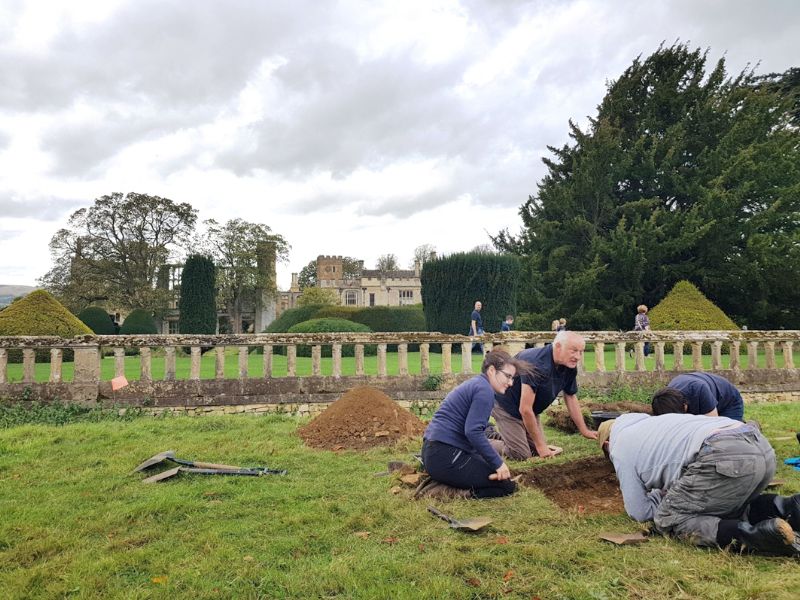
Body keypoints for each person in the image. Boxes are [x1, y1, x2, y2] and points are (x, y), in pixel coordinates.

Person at [597, 414, 800, 555]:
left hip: (724, 456)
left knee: (669, 518)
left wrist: (665, 497)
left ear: (607, 444)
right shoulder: (655, 424)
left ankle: (755, 537)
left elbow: (639, 511)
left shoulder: (619, 446)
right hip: (759, 445)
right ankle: (790, 507)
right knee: (724, 503)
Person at [419, 350, 533, 499]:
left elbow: (474, 431)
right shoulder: (484, 390)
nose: (511, 383)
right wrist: (498, 464)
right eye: (508, 376)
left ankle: (447, 479)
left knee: (497, 472)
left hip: (435, 452)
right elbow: (473, 432)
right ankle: (446, 492)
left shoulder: (478, 384)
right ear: (492, 370)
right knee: (506, 486)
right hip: (445, 456)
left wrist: (493, 463)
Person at [492, 331, 597, 460]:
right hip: (504, 405)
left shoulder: (569, 366)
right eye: (574, 351)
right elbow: (525, 410)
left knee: (536, 449)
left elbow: (570, 397)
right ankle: (481, 441)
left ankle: (509, 436)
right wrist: (541, 446)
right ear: (558, 346)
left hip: (530, 411)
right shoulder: (535, 363)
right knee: (521, 454)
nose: (578, 356)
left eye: (581, 352)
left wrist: (584, 430)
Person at [652, 372, 745, 422]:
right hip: (705, 396)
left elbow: (713, 425)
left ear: (684, 405)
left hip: (729, 402)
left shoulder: (699, 389)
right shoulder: (665, 400)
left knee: (728, 437)